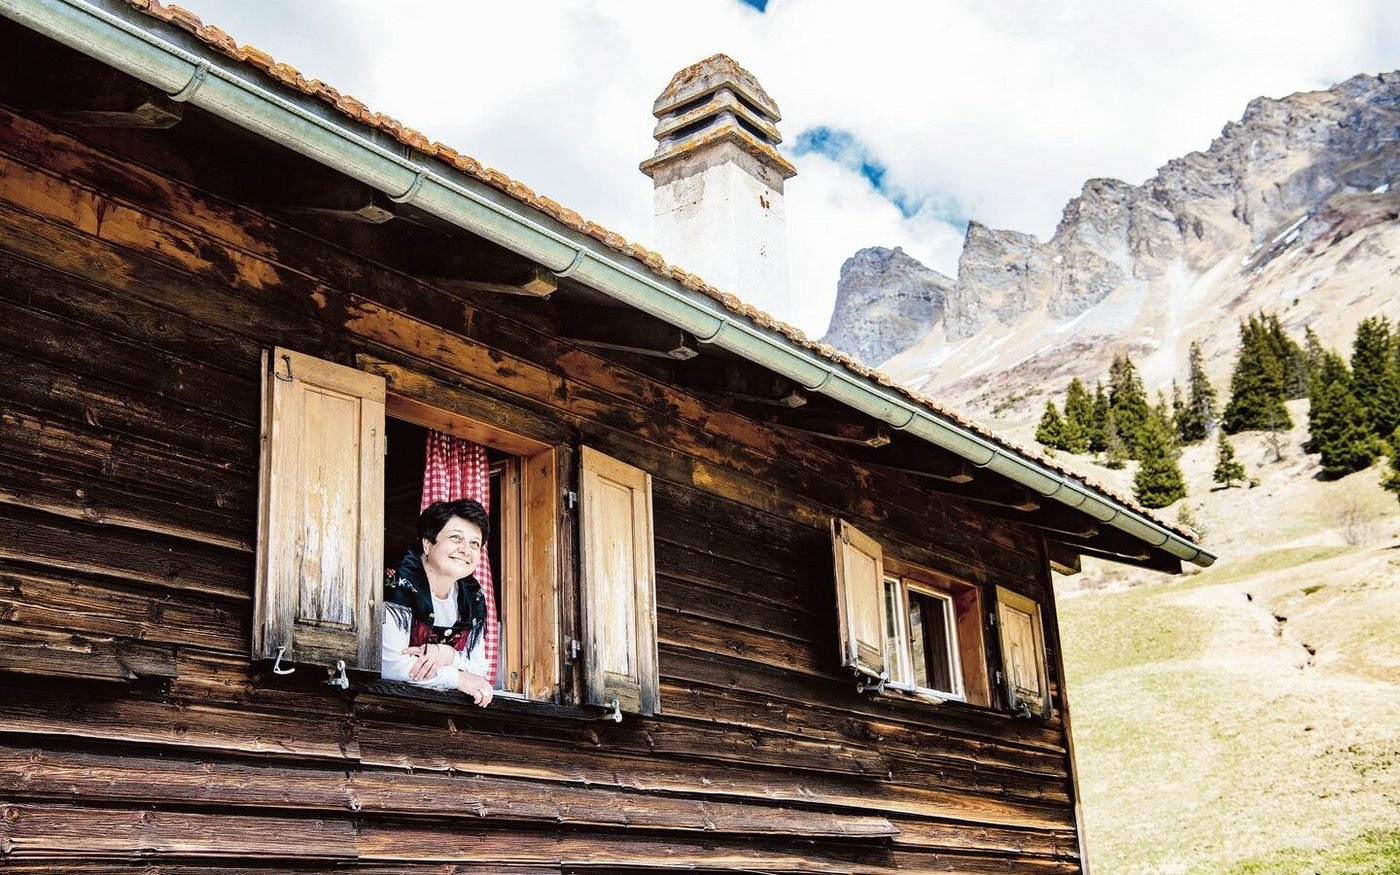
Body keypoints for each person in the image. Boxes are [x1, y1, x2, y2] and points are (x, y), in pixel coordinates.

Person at [381, 499, 494, 707]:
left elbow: (478, 671)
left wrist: (448, 655)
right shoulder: (399, 582)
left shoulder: (473, 595)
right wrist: (457, 678)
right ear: (427, 543)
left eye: (474, 543)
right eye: (455, 538)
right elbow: (391, 665)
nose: (465, 549)